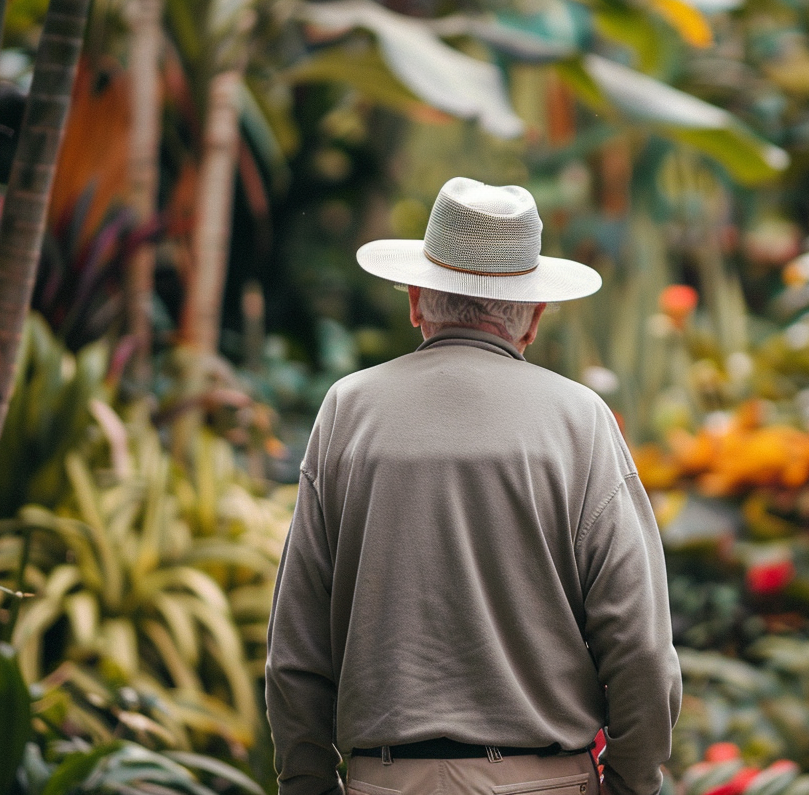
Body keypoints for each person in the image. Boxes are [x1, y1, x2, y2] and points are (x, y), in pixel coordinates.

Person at [265, 177, 683, 795]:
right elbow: (641, 649)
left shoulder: (348, 412)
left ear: (416, 301)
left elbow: (296, 650)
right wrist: (630, 785)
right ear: (533, 317)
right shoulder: (580, 421)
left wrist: (308, 785)